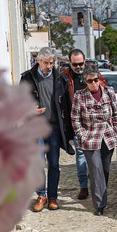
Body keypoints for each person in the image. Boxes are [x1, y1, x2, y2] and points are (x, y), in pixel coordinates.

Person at [19, 47, 74, 212]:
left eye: (51, 63)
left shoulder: (60, 79)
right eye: (46, 63)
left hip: (55, 127)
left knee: (54, 164)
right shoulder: (27, 78)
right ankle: (41, 195)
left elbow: (67, 105)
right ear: (38, 60)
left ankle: (52, 197)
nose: (49, 66)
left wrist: (69, 131)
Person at [70, 69, 117, 216]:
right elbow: (75, 118)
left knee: (105, 169)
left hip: (108, 136)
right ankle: (99, 205)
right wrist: (82, 135)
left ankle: (101, 194)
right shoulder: (79, 96)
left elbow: (116, 112)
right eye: (90, 81)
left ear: (99, 79)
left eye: (95, 79)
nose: (93, 83)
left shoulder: (109, 92)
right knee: (95, 169)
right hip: (90, 138)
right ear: (85, 82)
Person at [63, 49, 106, 201]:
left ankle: (97, 184)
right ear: (70, 63)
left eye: (81, 63)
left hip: (97, 125)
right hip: (79, 124)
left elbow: (105, 89)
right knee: (81, 156)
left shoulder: (93, 72)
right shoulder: (65, 77)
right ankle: (83, 186)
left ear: (85, 61)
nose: (79, 67)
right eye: (75, 64)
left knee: (96, 158)